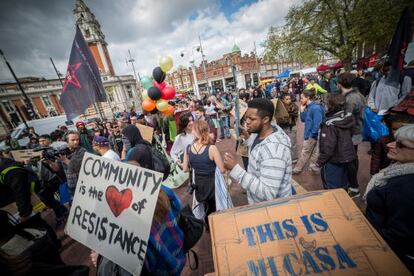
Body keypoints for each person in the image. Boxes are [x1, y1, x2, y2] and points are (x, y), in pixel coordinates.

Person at [365, 124, 414, 273]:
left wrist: (365, 238)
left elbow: (400, 234)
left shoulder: (405, 187)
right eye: (394, 140)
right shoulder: (399, 170)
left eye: (400, 144)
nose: (390, 145)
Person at [224, 98, 292, 204]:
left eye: (252, 119)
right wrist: (248, 139)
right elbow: (258, 147)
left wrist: (235, 169)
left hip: (272, 210)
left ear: (265, 119)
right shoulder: (260, 133)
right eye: (246, 118)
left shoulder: (273, 151)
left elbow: (268, 193)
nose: (247, 122)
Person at [183, 120, 225, 223]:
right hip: (212, 184)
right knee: (213, 207)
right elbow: (222, 169)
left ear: (195, 132)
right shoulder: (212, 148)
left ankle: (207, 225)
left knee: (203, 206)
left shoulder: (188, 148)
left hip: (198, 184)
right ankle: (215, 227)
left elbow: (185, 169)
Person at [317, 94, 356, 189]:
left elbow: (328, 147)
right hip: (347, 158)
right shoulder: (347, 118)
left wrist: (320, 161)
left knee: (331, 188)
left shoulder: (329, 124)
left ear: (331, 105)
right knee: (344, 186)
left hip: (333, 160)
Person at [337, 72, 366, 197]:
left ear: (339, 84)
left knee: (350, 159)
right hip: (356, 131)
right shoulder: (357, 94)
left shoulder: (350, 98)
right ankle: (352, 184)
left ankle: (354, 187)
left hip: (352, 133)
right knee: (353, 157)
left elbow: (346, 118)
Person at [293, 89, 325, 174]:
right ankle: (313, 167)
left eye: (302, 98)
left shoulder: (315, 108)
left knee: (305, 153)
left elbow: (317, 123)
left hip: (311, 135)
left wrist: (312, 134)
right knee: (314, 152)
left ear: (308, 97)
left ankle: (297, 169)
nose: (300, 100)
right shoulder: (309, 107)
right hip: (311, 134)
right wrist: (302, 110)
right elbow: (303, 119)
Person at [56, 131, 86, 197]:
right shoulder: (61, 150)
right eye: (73, 140)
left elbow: (78, 168)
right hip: (70, 183)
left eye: (77, 139)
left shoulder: (82, 150)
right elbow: (57, 168)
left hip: (82, 184)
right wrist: (49, 162)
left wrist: (65, 160)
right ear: (67, 141)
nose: (76, 142)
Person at [279, 93, 299, 163]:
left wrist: (284, 114)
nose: (289, 100)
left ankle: (294, 158)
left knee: (292, 143)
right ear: (282, 100)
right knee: (283, 143)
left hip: (291, 126)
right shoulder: (279, 108)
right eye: (287, 99)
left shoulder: (294, 106)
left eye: (289, 99)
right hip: (282, 127)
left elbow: (293, 113)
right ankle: (285, 157)